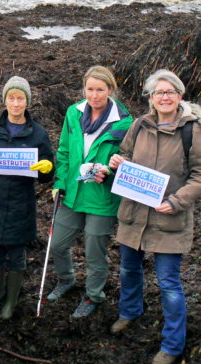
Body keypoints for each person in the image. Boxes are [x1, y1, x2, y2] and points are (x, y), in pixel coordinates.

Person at [108, 70, 200, 364]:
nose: (164, 97)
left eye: (170, 92)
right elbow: (125, 156)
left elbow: (199, 176)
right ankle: (130, 311)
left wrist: (176, 202)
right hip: (135, 214)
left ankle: (173, 344)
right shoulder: (140, 125)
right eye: (158, 92)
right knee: (128, 270)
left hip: (169, 219)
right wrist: (117, 162)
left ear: (179, 96)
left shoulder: (192, 131)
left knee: (169, 283)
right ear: (150, 98)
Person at [47, 65, 133, 317]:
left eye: (100, 90)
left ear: (110, 90)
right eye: (90, 89)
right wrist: (59, 183)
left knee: (95, 252)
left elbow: (129, 160)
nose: (94, 95)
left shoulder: (125, 122)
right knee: (57, 245)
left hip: (102, 197)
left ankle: (93, 295)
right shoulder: (73, 113)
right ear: (84, 88)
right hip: (72, 192)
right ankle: (66, 279)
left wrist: (108, 170)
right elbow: (63, 152)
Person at [0, 76, 54, 319]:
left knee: (16, 254)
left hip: (20, 203)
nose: (15, 103)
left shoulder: (37, 133)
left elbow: (46, 176)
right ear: (4, 100)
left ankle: (11, 299)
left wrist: (47, 168)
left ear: (27, 102)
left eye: (20, 98)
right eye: (11, 98)